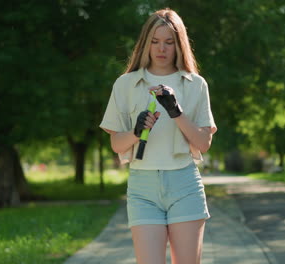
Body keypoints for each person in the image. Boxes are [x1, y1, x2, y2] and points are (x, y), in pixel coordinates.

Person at [100, 8, 217, 264]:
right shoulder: (125, 84)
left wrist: (176, 112)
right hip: (143, 187)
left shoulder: (195, 84)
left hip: (184, 183)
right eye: (154, 41)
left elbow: (203, 143)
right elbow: (116, 143)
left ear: (179, 44)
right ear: (144, 43)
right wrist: (135, 131)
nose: (161, 49)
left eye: (168, 42)